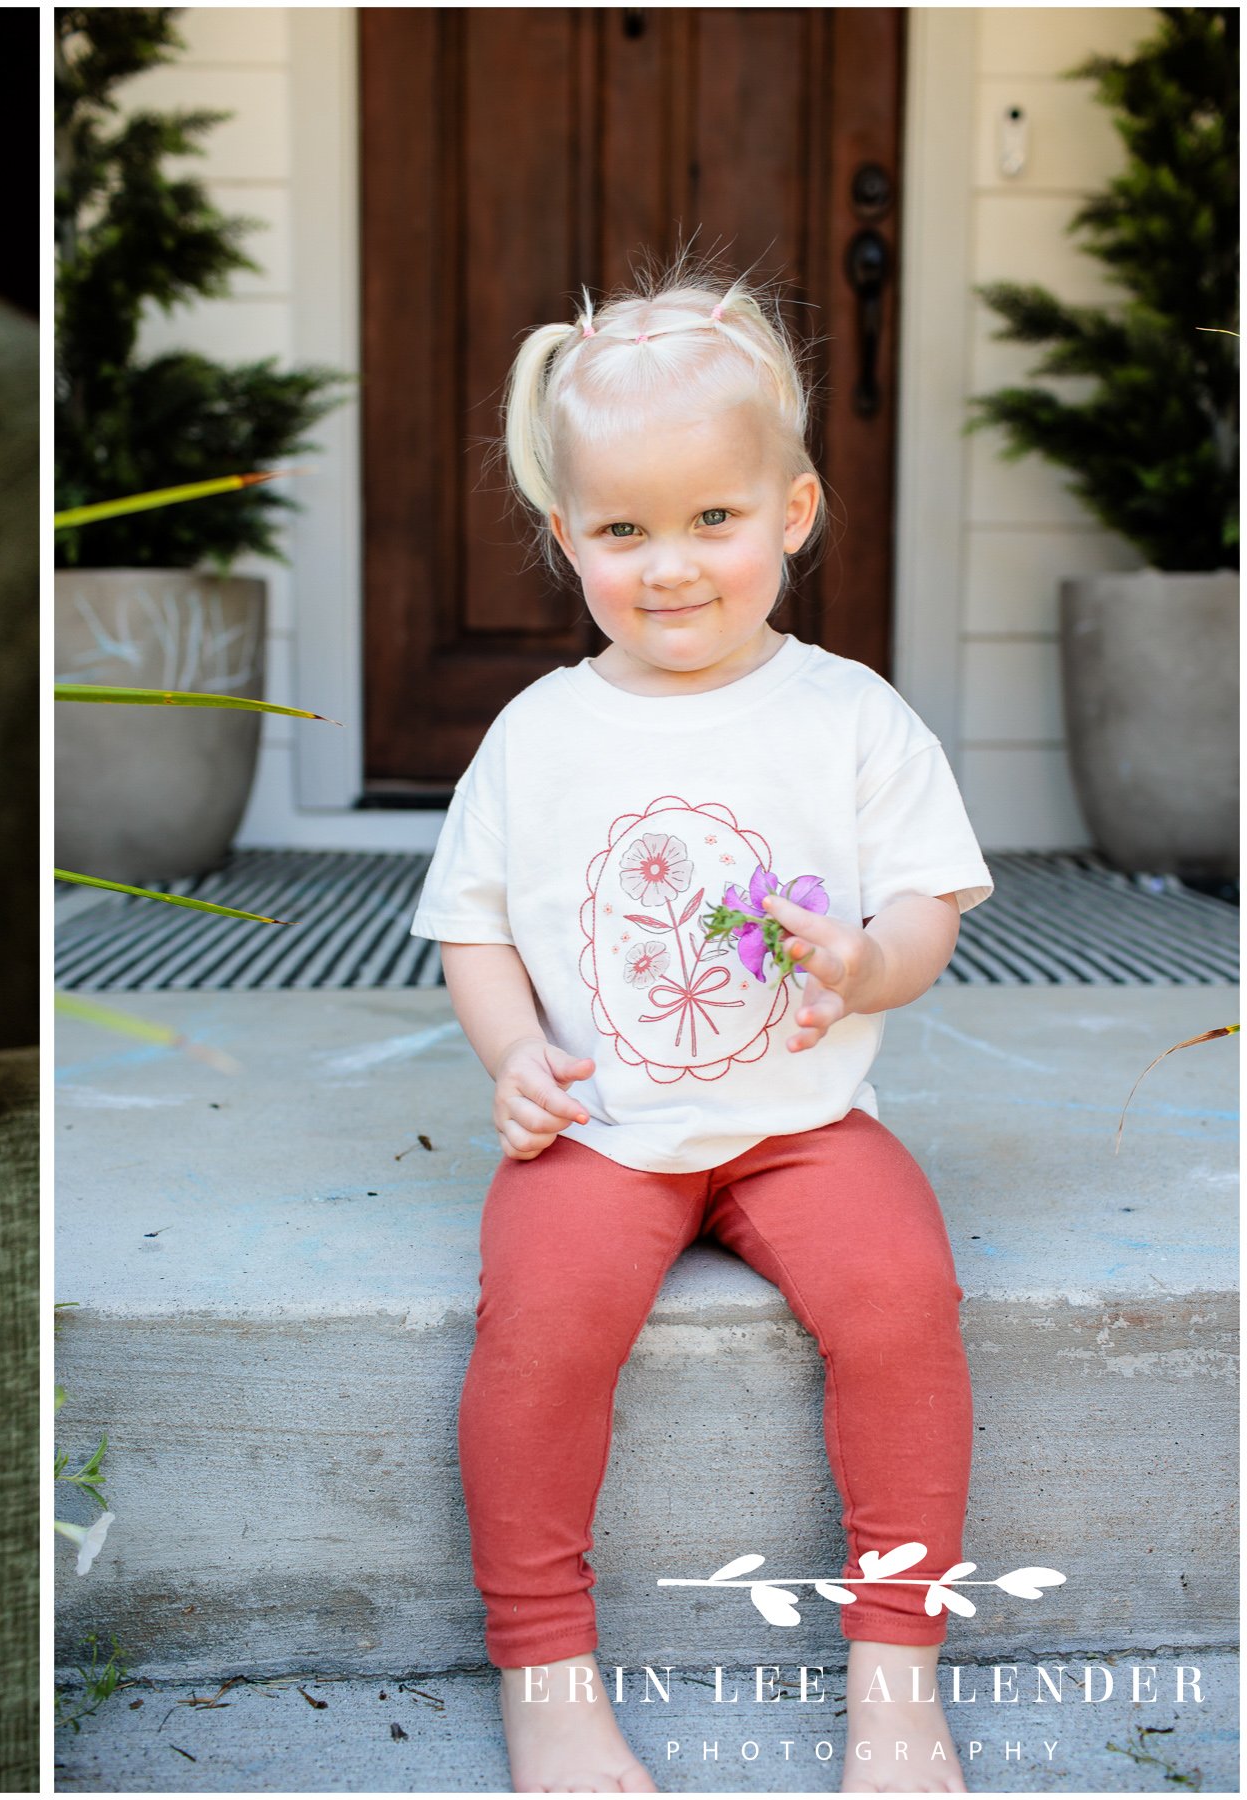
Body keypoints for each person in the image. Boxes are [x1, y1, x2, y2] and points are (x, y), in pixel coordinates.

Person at [408, 259, 993, 1795]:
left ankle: (896, 1674)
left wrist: (865, 965)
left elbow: (929, 909)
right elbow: (469, 922)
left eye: (713, 521)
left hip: (807, 1125)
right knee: (538, 1331)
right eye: (623, 530)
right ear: (566, 539)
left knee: (906, 1302)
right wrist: (513, 1055)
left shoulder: (852, 715)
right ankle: (545, 1673)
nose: (671, 566)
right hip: (603, 1132)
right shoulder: (539, 736)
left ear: (792, 511)